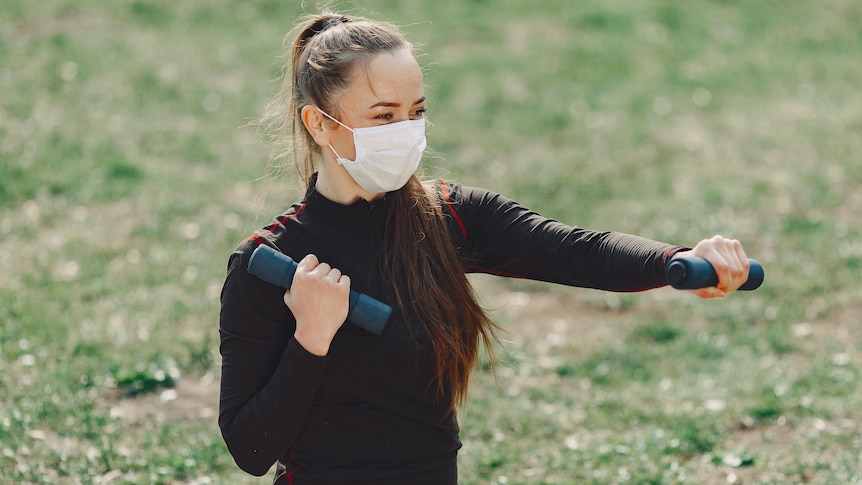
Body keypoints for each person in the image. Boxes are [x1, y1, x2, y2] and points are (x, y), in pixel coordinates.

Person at [218, 11, 752, 485]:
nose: (405, 131)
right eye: (383, 116)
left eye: (416, 111)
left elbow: (577, 251)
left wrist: (682, 259)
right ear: (320, 125)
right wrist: (310, 340)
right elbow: (251, 449)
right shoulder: (268, 265)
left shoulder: (449, 216)